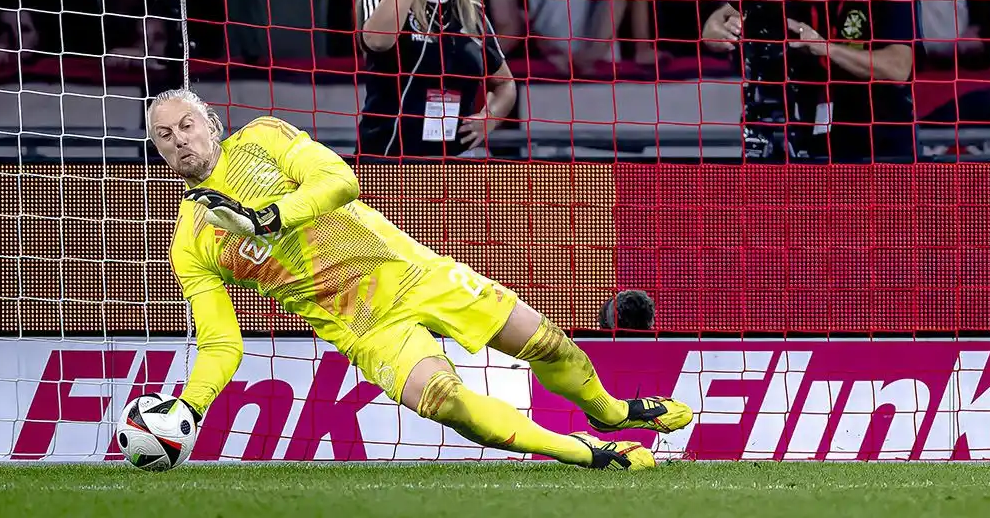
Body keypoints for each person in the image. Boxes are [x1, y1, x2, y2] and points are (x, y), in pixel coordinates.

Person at [142, 89, 692, 470]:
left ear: (209, 122)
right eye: (165, 136)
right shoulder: (189, 242)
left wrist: (269, 218)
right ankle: (585, 451)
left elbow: (339, 179)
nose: (180, 140)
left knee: (547, 343)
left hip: (412, 271)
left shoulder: (263, 138)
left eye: (186, 125)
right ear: (159, 150)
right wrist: (189, 406)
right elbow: (220, 341)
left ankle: (613, 412)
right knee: (443, 399)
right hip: (363, 325)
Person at [702, 0, 917, 161]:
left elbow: (897, 68)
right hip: (807, 133)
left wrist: (824, 48)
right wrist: (715, 26)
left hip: (878, 138)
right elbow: (737, 3)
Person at [355, 0, 517, 158]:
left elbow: (505, 84)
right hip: (387, 158)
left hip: (452, 163)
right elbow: (377, 41)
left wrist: (489, 118)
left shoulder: (470, 13)